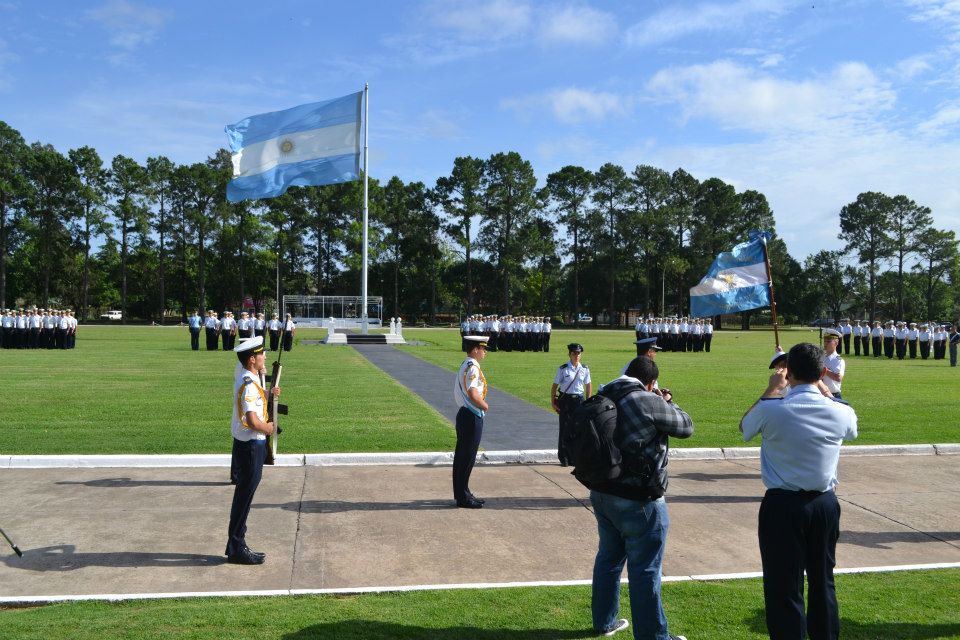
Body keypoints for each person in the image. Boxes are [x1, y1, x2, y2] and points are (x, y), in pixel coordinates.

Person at [740, 342, 858, 640]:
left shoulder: (771, 410)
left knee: (783, 585)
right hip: (823, 504)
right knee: (823, 580)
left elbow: (745, 428)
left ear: (787, 372)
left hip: (782, 504)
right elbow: (851, 428)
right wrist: (824, 389)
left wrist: (770, 390)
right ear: (821, 372)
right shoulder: (840, 412)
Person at [589, 356, 692, 640]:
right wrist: (667, 401)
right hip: (639, 499)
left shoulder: (603, 393)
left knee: (608, 558)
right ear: (650, 383)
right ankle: (654, 637)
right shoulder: (647, 400)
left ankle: (604, 621)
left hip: (602, 491)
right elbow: (686, 426)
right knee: (646, 569)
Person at [225, 335, 280, 565]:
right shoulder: (248, 383)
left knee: (244, 497)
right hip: (251, 446)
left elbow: (256, 397)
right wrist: (268, 428)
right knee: (244, 498)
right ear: (251, 359)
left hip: (248, 445)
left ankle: (237, 544)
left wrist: (268, 394)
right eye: (260, 354)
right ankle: (237, 546)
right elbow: (251, 419)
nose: (264, 356)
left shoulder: (249, 377)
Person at [453, 336, 489, 508]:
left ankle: (463, 493)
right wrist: (485, 406)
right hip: (472, 416)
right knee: (467, 458)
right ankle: (463, 497)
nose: (485, 352)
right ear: (475, 349)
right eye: (483, 348)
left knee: (463, 457)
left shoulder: (466, 364)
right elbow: (473, 393)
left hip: (466, 414)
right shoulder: (472, 367)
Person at [551, 343, 592, 467]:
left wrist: (588, 401)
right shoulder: (563, 369)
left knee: (578, 429)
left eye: (578, 353)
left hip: (579, 400)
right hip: (566, 400)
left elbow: (588, 385)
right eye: (574, 353)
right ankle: (564, 457)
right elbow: (554, 386)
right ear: (569, 354)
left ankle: (574, 457)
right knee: (564, 428)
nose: (576, 355)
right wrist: (553, 402)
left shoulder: (584, 368)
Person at [820, 329, 845, 400]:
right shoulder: (821, 357)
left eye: (828, 341)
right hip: (820, 394)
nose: (825, 344)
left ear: (836, 343)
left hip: (833, 395)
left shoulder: (838, 360)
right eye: (824, 341)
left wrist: (824, 369)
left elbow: (838, 378)